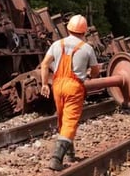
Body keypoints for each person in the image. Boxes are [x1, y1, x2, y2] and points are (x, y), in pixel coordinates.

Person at [40, 14, 100, 171]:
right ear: (84, 32)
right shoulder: (87, 49)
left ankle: (70, 153)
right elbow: (95, 71)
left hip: (57, 85)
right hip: (74, 87)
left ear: (68, 29)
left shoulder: (56, 44)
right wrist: (88, 75)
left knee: (62, 119)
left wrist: (45, 84)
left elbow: (45, 64)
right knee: (70, 121)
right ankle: (56, 158)